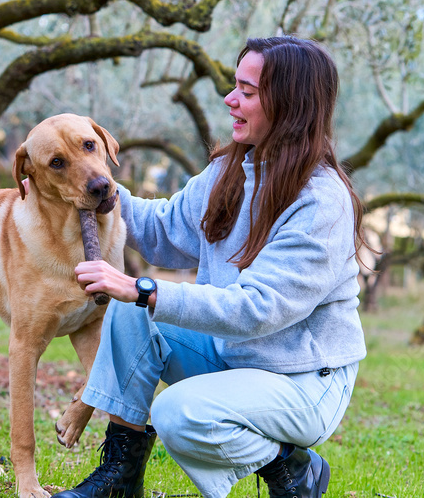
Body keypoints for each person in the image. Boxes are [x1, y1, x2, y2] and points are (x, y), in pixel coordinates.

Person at [52, 36, 368, 498]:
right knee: (129, 312)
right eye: (233, 85)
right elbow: (164, 230)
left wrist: (144, 289)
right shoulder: (232, 170)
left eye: (247, 90)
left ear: (290, 105)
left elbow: (257, 309)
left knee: (179, 412)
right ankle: (119, 480)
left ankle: (291, 468)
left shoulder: (322, 202)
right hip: (237, 355)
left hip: (303, 382)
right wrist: (95, 188)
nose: (229, 99)